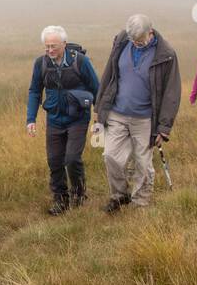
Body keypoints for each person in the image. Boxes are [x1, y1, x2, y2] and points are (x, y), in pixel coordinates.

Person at [95, 14, 181, 213]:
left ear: (150, 32)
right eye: (133, 40)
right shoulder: (122, 41)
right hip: (117, 112)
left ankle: (140, 202)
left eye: (140, 40)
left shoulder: (166, 54)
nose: (136, 44)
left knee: (143, 162)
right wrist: (99, 108)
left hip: (145, 118)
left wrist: (164, 127)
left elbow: (172, 93)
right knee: (110, 156)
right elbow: (109, 75)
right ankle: (119, 195)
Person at [25, 26, 100, 214]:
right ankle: (60, 199)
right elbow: (35, 90)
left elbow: (96, 88)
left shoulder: (80, 62)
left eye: (54, 46)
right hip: (54, 119)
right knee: (54, 160)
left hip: (78, 118)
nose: (50, 50)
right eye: (47, 46)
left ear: (64, 44)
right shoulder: (40, 63)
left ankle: (79, 195)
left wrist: (99, 115)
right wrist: (31, 119)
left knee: (72, 159)